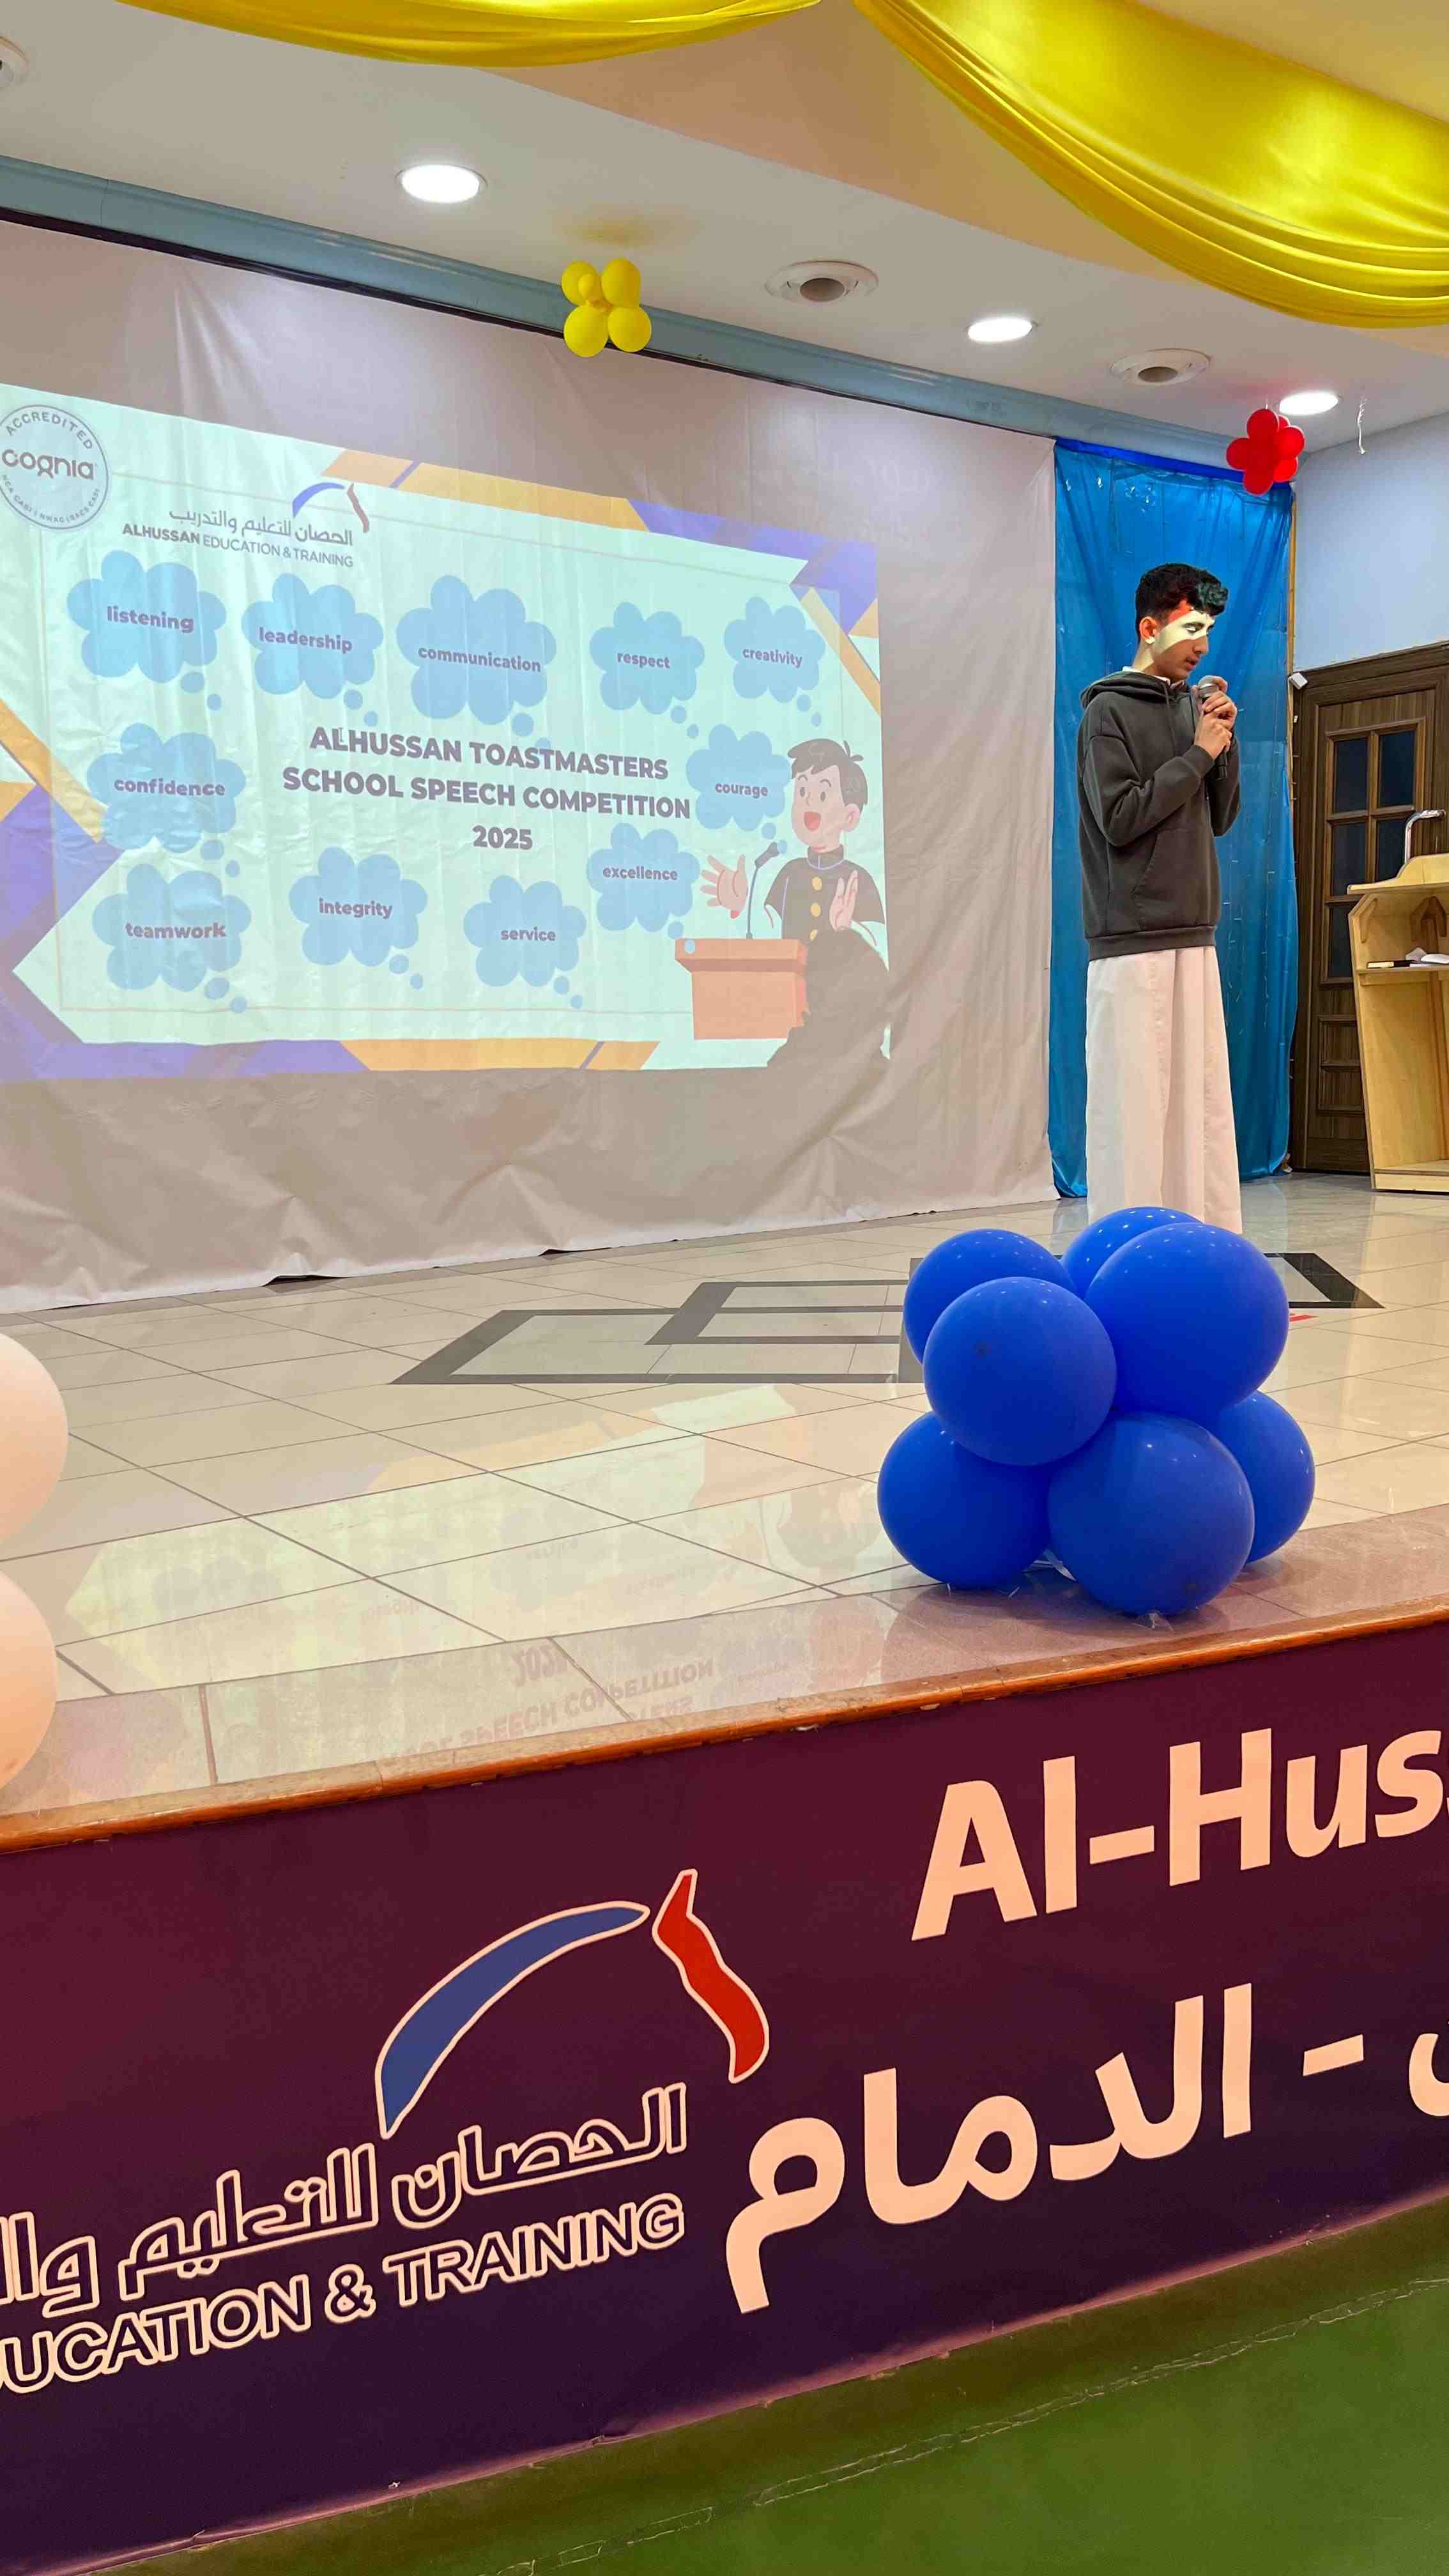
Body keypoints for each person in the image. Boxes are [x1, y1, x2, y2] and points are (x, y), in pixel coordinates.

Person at [1077, 562, 1243, 1230]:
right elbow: (1120, 818)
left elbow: (1220, 817)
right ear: (1150, 628)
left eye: (1210, 630)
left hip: (1194, 935)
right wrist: (1199, 753)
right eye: (1192, 627)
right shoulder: (1106, 712)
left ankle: (1204, 1252)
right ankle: (1125, 1254)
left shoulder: (1190, 707)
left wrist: (1222, 743)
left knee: (1200, 1119)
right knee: (1135, 1121)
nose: (1203, 644)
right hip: (1132, 943)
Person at [704, 737, 887, 1070]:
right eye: (802, 792)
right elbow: (768, 932)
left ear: (850, 816)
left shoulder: (860, 879)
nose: (809, 803)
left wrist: (846, 930)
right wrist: (741, 905)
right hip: (792, 1012)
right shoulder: (789, 874)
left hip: (846, 1030)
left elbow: (878, 957)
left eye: (822, 794)